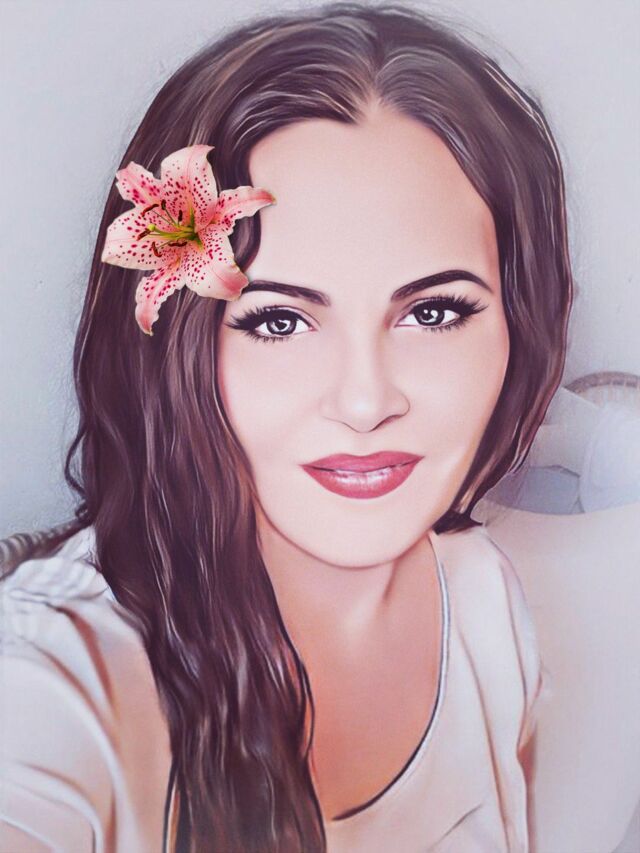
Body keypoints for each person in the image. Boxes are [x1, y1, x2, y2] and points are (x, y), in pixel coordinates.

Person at [0, 3, 576, 851]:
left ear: (520, 325)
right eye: (278, 321)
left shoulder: (485, 600)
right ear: (175, 351)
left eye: (433, 312)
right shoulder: (51, 683)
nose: (365, 401)